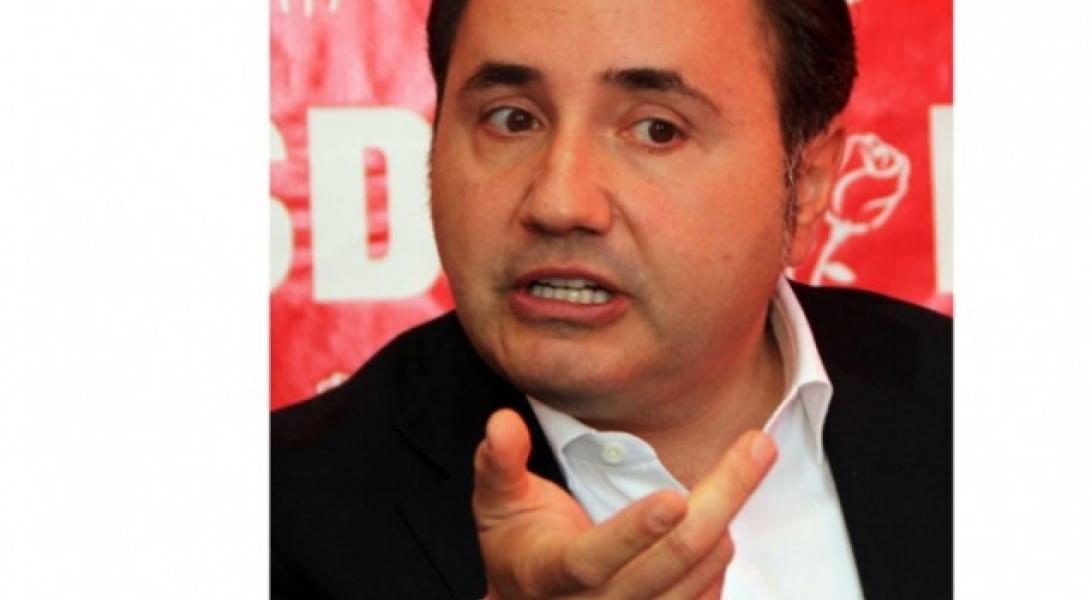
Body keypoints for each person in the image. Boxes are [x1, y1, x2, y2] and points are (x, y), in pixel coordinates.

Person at [271, 0, 951, 598]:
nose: (559, 202)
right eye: (512, 120)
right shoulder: (279, 517)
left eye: (656, 130)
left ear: (806, 183)